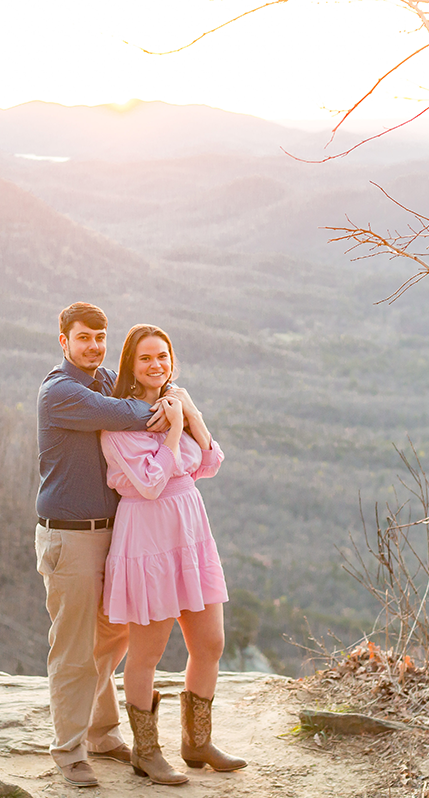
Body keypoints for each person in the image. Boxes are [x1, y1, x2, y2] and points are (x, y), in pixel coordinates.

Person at [99, 324, 246, 785]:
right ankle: (147, 751)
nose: (156, 365)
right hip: (148, 540)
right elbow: (149, 483)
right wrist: (176, 429)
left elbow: (211, 463)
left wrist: (192, 417)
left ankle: (196, 742)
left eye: (163, 356)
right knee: (147, 653)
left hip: (190, 533)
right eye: (146, 358)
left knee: (210, 643)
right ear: (131, 365)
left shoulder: (176, 403)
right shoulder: (119, 422)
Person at [35, 302, 171, 788]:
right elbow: (125, 411)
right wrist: (166, 409)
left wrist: (175, 402)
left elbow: (146, 392)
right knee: (73, 648)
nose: (94, 345)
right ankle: (69, 751)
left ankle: (102, 732)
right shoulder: (61, 393)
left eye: (100, 337)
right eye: (84, 337)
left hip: (115, 533)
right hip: (70, 537)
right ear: (64, 341)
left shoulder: (105, 378)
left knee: (113, 634)